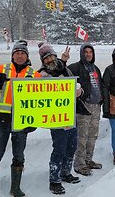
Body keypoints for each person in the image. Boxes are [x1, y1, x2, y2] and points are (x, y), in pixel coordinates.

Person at [0, 40, 42, 197]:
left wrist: (33, 121)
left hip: (21, 122)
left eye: (22, 53)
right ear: (12, 55)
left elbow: (39, 102)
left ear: (27, 56)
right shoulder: (2, 69)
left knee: (19, 155)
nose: (19, 56)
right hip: (1, 120)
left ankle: (15, 189)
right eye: (16, 53)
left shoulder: (35, 74)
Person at [37, 43, 81, 195]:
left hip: (70, 115)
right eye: (46, 58)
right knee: (59, 149)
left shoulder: (64, 69)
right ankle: (54, 180)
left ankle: (65, 172)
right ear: (43, 61)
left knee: (71, 146)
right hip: (56, 118)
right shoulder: (42, 75)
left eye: (51, 56)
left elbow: (75, 86)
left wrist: (78, 91)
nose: (50, 59)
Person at [67, 43, 103, 176]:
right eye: (86, 52)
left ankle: (88, 160)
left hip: (96, 106)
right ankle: (79, 164)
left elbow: (100, 86)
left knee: (92, 136)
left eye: (90, 52)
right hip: (83, 107)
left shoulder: (96, 68)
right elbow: (64, 77)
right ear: (82, 53)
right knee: (82, 137)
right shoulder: (75, 67)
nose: (88, 54)